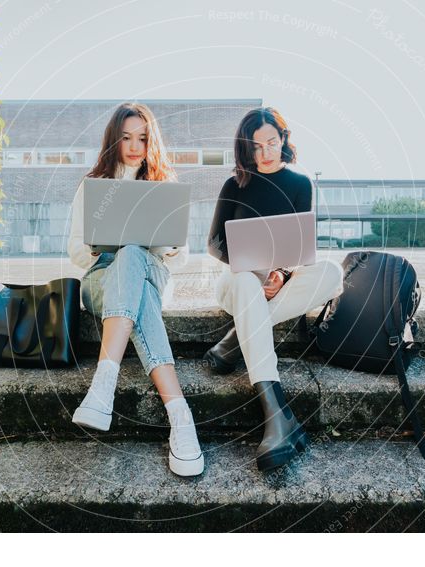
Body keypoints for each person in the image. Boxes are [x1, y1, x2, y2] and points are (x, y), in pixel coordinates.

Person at [67, 103, 204, 477]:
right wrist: (99, 244)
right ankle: (181, 417)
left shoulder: (164, 182)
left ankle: (102, 387)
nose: (134, 145)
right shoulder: (92, 184)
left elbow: (181, 257)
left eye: (142, 138)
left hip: (150, 274)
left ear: (151, 140)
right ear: (114, 139)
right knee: (125, 254)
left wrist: (166, 246)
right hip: (102, 279)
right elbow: (77, 252)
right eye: (126, 137)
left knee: (133, 253)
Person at [205, 107, 343, 471]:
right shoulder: (235, 185)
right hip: (236, 279)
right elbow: (214, 243)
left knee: (331, 273)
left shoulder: (300, 184)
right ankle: (277, 414)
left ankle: (238, 339)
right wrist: (251, 267)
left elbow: (298, 247)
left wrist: (280, 274)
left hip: (277, 282)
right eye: (256, 146)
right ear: (246, 149)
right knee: (245, 282)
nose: (265, 152)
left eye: (272, 142)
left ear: (283, 139)